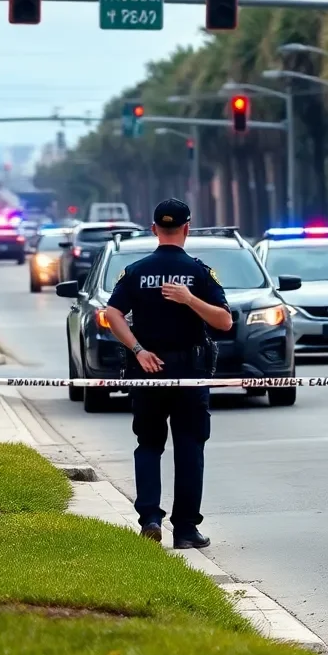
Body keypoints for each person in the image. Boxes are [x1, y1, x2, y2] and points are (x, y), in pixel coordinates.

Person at [102, 198, 232, 548]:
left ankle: (150, 520)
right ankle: (186, 531)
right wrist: (190, 299)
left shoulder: (137, 271)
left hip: (149, 371)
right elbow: (224, 320)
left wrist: (138, 350)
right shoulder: (199, 273)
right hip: (190, 372)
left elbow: (112, 314)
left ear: (154, 229)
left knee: (148, 445)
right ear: (188, 228)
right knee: (190, 448)